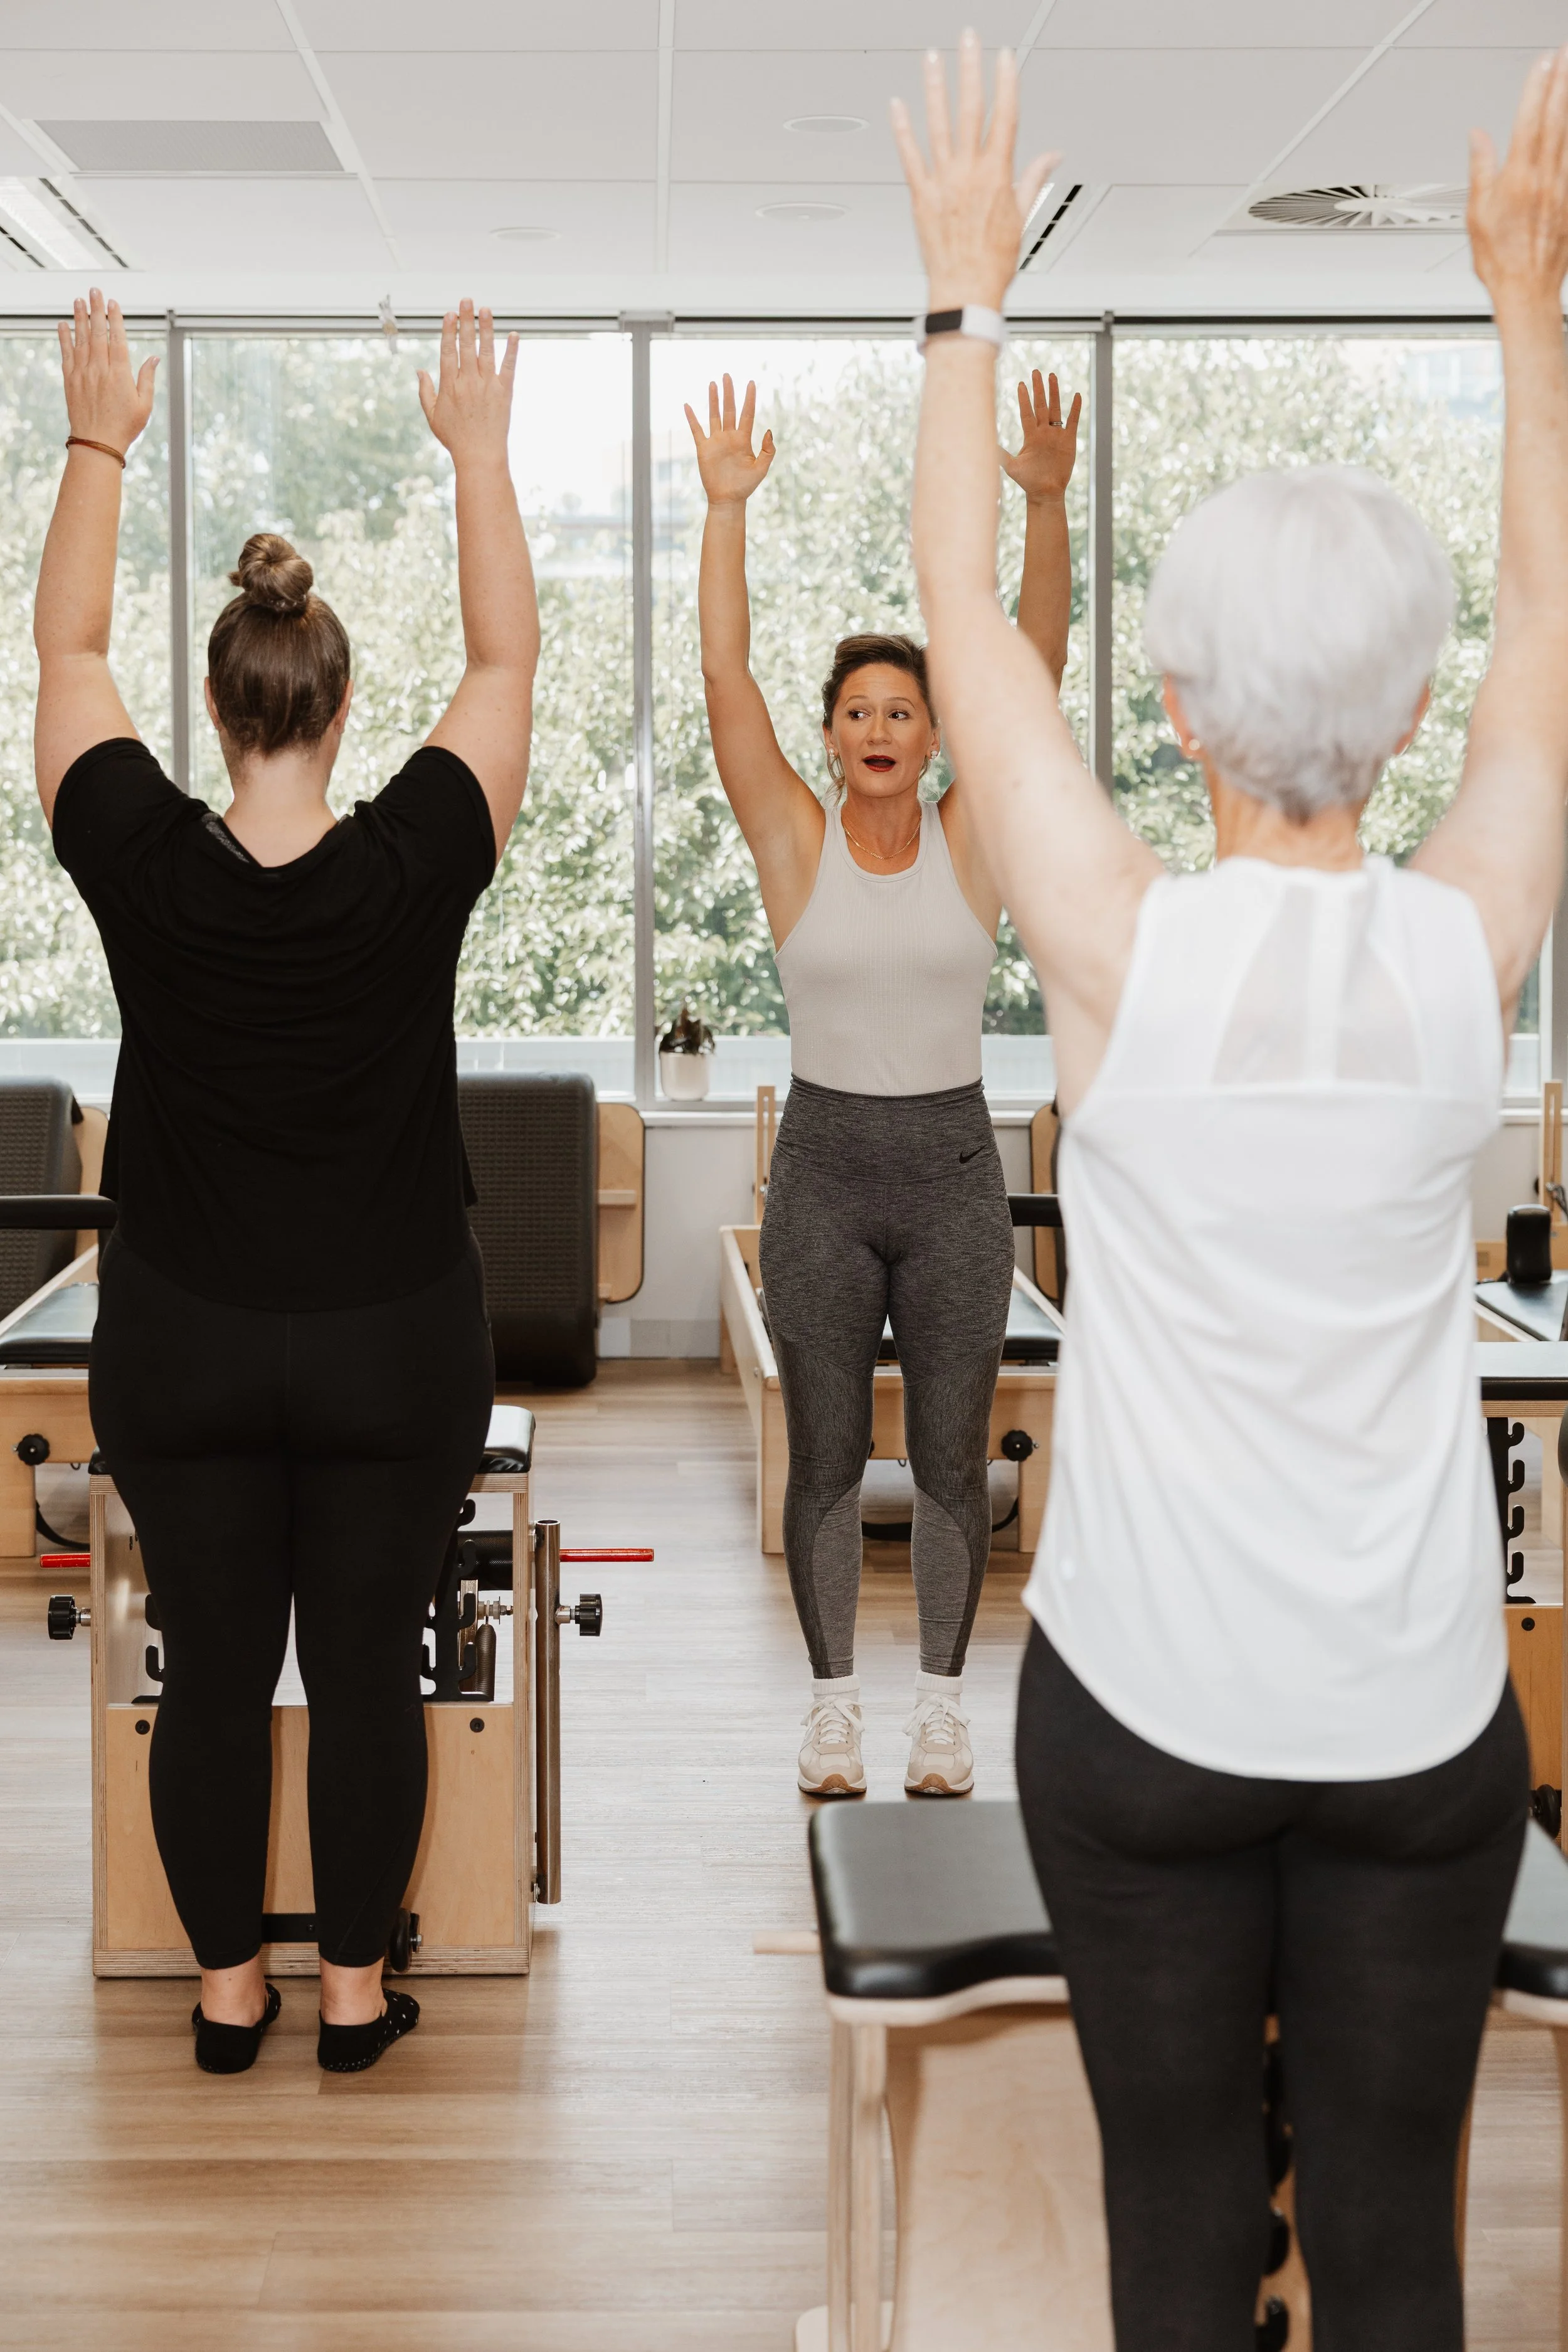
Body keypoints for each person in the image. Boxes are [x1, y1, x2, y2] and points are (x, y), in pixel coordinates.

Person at [893, 33, 1568, 2351]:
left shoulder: (1121, 947)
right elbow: (1550, 662)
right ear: (1397, 722)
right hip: (1408, 1727)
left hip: (1148, 1718)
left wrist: (969, 300)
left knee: (1179, 2233)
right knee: (1395, 2246)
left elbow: (963, 623)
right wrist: (1528, 320)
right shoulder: (1469, 938)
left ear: (1176, 710)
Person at [34, 293, 538, 2075]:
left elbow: (66, 654)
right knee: (376, 1672)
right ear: (335, 705)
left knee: (218, 1668)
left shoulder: (143, 863)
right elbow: (503, 670)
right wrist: (475, 449)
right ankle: (349, 1993)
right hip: (396, 1337)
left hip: (186, 1338)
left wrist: (99, 438)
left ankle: (229, 1991)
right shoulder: (411, 862)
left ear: (223, 704)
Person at [685, 363, 1080, 1798]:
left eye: (900, 711)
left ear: (931, 735)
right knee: (830, 1456)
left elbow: (1027, 660)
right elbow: (725, 681)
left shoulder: (976, 838)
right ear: (833, 730)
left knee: (954, 1450)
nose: (874, 728)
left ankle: (939, 1711)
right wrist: (725, 510)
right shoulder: (794, 840)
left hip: (956, 1174)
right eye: (853, 709)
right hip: (825, 1173)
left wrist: (1041, 502)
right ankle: (835, 1706)